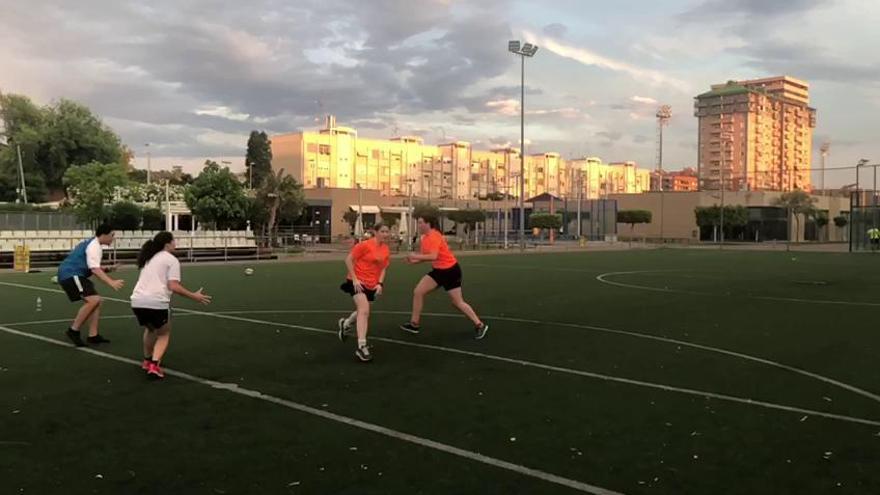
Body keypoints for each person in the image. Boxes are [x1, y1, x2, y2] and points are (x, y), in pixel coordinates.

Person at [131, 231, 212, 379]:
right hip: (156, 302)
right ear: (167, 243)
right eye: (174, 240)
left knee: (150, 329)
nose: (176, 243)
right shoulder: (171, 260)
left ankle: (147, 360)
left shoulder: (149, 258)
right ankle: (154, 366)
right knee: (164, 334)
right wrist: (194, 296)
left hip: (137, 301)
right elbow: (173, 286)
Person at [400, 215, 488, 339]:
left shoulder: (435, 236)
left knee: (457, 302)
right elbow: (427, 256)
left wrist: (415, 256)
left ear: (428, 223)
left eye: (420, 223)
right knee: (418, 292)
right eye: (418, 222)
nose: (418, 225)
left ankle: (480, 325)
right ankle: (414, 324)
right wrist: (415, 261)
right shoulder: (424, 238)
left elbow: (433, 256)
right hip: (438, 271)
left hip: (451, 271)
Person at [57, 224, 124, 347]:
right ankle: (73, 330)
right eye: (112, 235)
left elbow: (92, 266)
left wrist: (108, 269)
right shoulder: (94, 246)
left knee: (96, 301)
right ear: (103, 235)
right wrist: (111, 282)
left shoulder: (93, 244)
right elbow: (94, 269)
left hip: (74, 274)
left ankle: (93, 335)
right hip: (71, 274)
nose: (113, 238)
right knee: (94, 300)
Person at [337, 223, 391, 362]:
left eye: (387, 232)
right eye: (383, 231)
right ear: (375, 232)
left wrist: (380, 283)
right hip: (357, 282)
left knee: (362, 310)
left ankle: (346, 324)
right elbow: (348, 259)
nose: (386, 234)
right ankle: (362, 347)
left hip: (372, 284)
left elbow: (383, 268)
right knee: (364, 310)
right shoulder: (365, 245)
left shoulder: (385, 249)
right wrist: (354, 279)